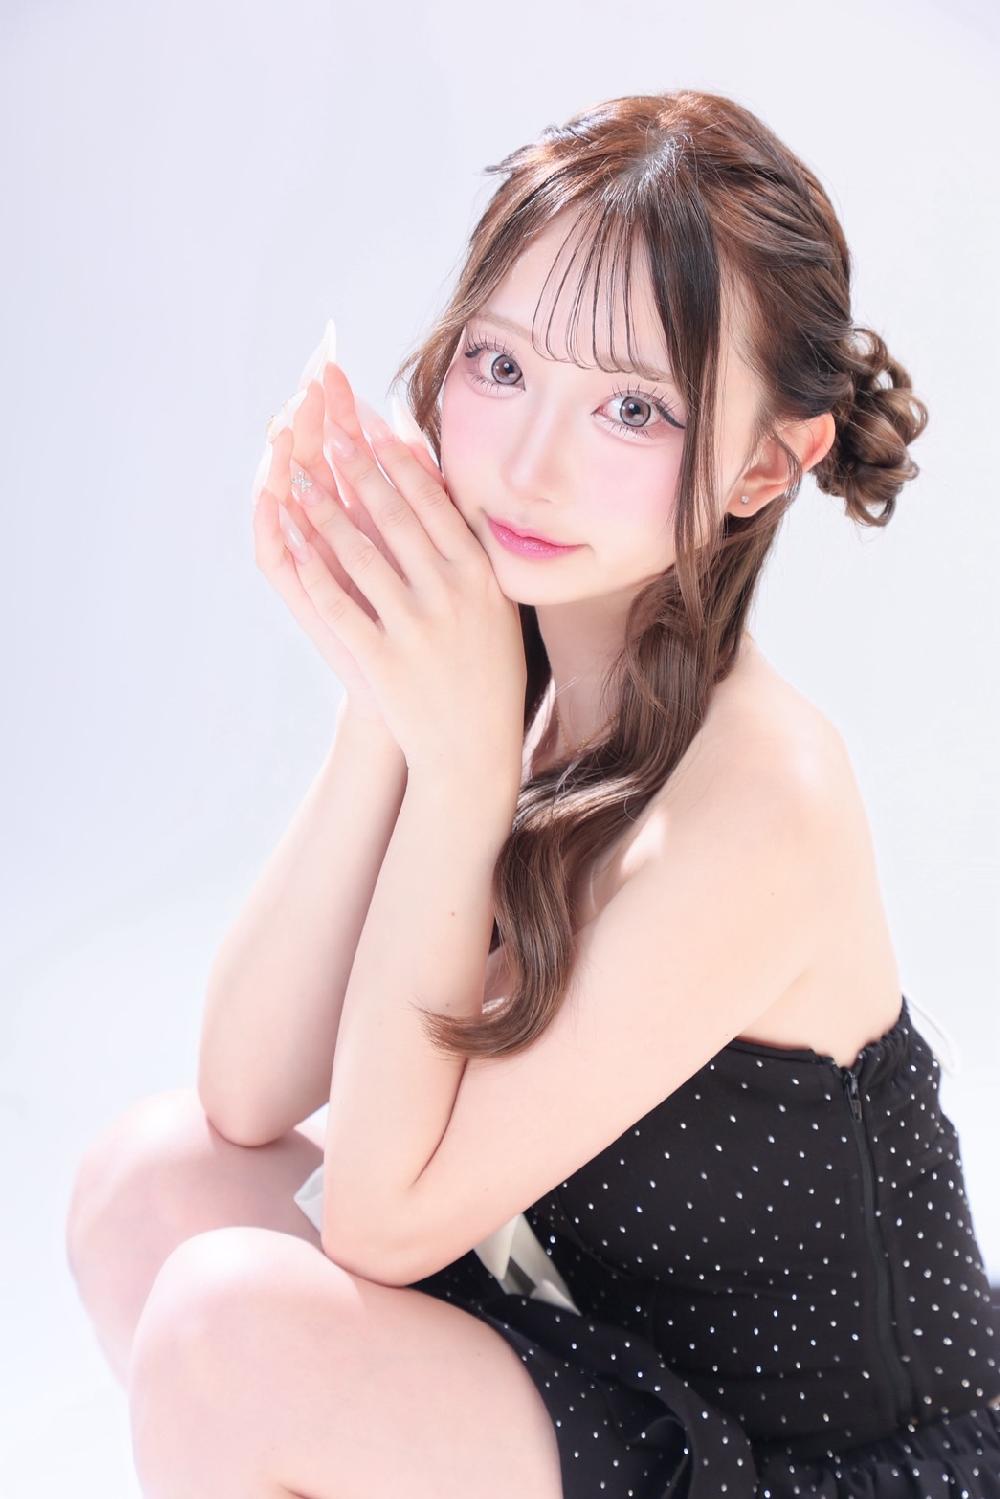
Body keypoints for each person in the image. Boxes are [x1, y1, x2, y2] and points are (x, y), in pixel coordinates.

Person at [66, 88, 1000, 1497]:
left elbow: (381, 1224)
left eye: (631, 407)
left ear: (764, 464)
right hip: (609, 1363)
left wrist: (457, 760)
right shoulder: (515, 668)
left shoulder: (768, 799)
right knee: (150, 1187)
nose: (528, 460)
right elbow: (246, 1092)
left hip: (817, 1472)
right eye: (499, 366)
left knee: (228, 1328)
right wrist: (387, 702)